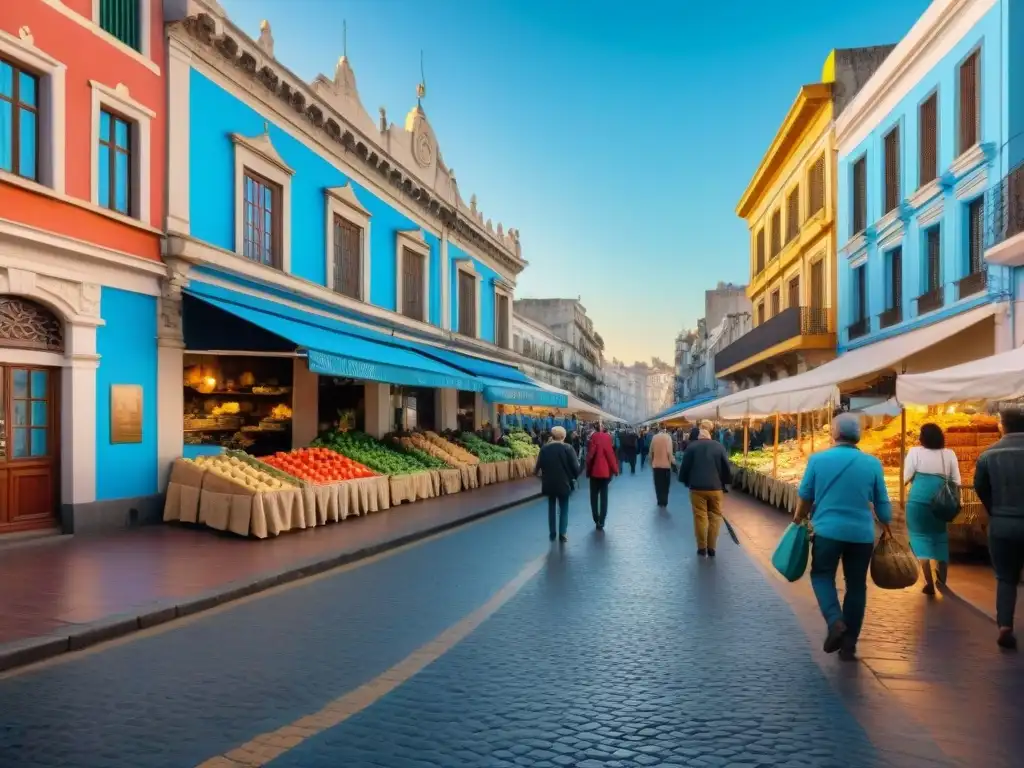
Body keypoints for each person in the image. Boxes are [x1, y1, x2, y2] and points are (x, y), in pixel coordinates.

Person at [794, 413, 892, 661]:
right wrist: (886, 524)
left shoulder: (818, 460)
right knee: (856, 585)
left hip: (827, 531)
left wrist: (798, 519)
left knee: (822, 575)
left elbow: (805, 495)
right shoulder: (872, 464)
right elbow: (883, 507)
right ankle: (849, 644)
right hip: (861, 535)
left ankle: (835, 620)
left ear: (835, 433)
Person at [975, 407, 1024, 650]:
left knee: (1005, 578)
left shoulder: (988, 455)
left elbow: (980, 486)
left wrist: (995, 509)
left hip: (1003, 523)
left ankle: (1005, 626)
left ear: (1002, 426)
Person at [903, 423, 961, 595]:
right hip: (940, 504)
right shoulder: (949, 454)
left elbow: (905, 477)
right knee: (940, 538)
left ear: (923, 438)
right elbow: (956, 482)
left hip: (917, 502)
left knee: (919, 540)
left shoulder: (915, 452)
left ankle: (929, 584)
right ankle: (942, 581)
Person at [678, 420, 732, 557]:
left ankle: (702, 547)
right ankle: (712, 547)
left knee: (700, 517)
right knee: (715, 517)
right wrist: (725, 484)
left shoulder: (692, 447)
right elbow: (726, 468)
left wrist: (685, 481)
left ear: (699, 430)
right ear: (711, 431)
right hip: (715, 488)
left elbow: (684, 468)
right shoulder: (718, 447)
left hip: (697, 488)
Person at [534, 425, 580, 543]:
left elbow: (538, 467)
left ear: (552, 436)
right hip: (564, 482)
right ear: (563, 436)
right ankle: (563, 533)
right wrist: (575, 477)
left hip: (549, 482)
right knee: (564, 507)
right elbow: (575, 467)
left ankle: (552, 532)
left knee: (551, 507)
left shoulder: (544, 448)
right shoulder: (568, 448)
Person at [585, 425, 619, 531]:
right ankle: (602, 520)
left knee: (593, 497)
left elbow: (589, 458)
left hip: (594, 474)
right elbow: (610, 456)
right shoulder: (607, 441)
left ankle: (596, 518)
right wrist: (615, 470)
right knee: (604, 498)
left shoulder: (593, 441)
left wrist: (588, 471)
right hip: (605, 474)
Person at [650, 427, 675, 507]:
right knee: (665, 484)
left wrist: (651, 463)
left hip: (656, 465)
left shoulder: (654, 437)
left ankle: (659, 500)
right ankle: (664, 501)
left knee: (657, 484)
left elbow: (651, 452)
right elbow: (669, 452)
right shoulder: (668, 438)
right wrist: (671, 463)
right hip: (666, 466)